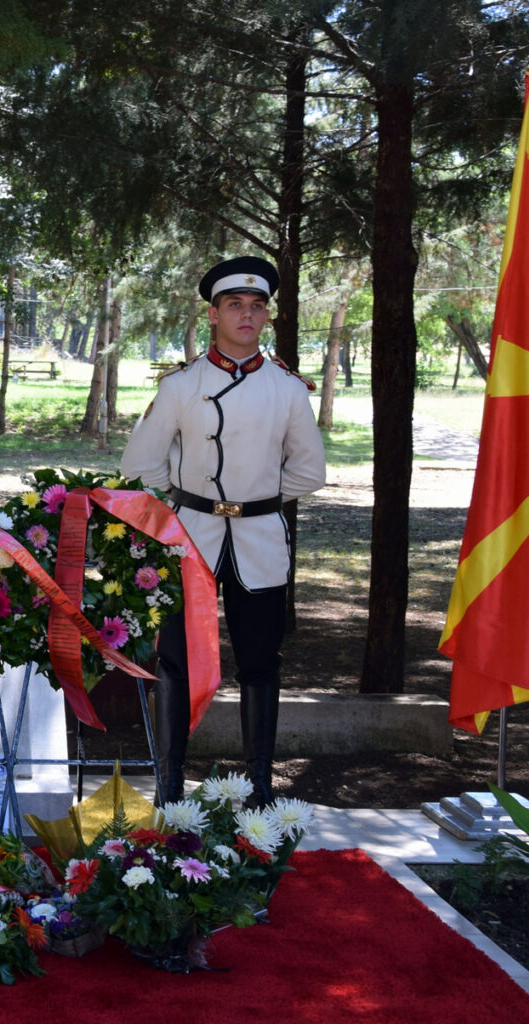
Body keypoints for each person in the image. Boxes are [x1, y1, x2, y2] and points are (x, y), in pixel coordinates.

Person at [121, 256, 326, 807]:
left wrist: (255, 501)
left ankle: (260, 787)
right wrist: (189, 504)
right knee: (175, 663)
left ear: (267, 317)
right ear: (213, 315)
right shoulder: (182, 385)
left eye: (257, 307)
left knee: (260, 663)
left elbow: (310, 472)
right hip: (190, 536)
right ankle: (169, 787)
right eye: (235, 305)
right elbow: (141, 466)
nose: (247, 315)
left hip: (260, 538)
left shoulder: (287, 388)